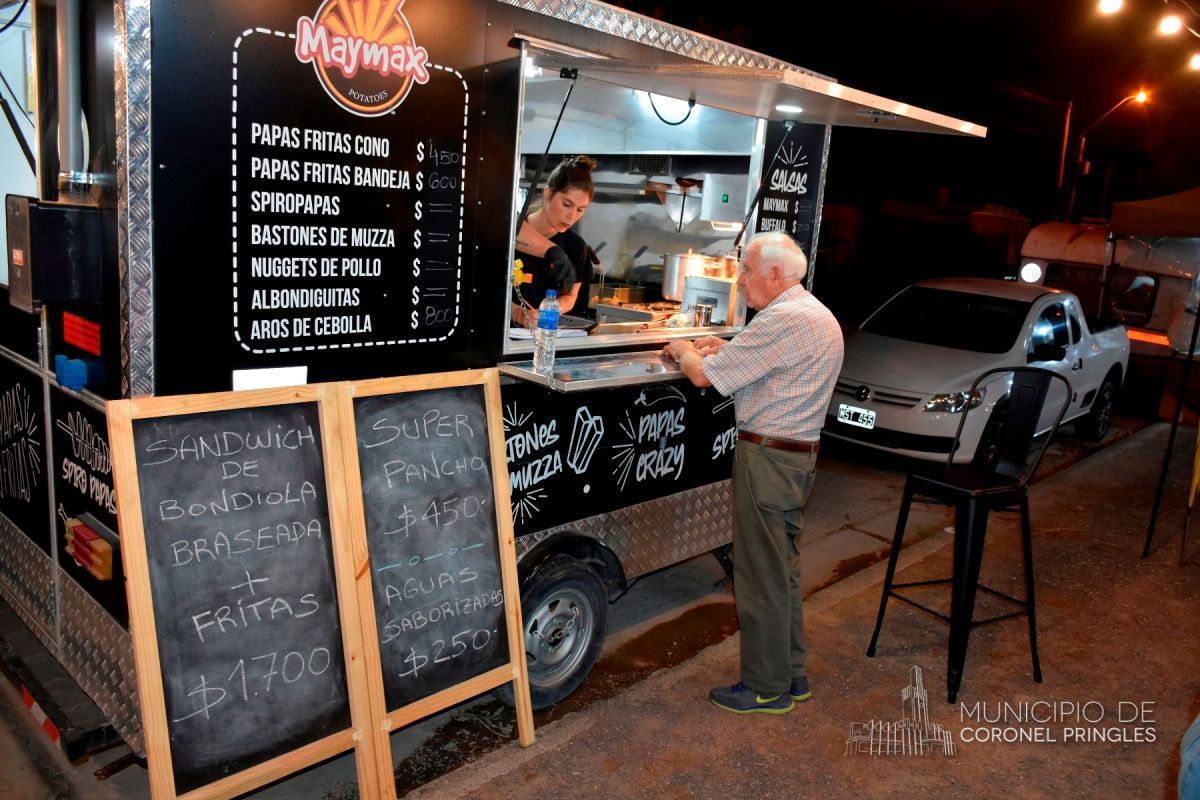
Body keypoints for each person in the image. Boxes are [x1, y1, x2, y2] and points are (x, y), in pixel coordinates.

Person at [663, 230, 844, 714]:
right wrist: (724, 344)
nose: (741, 281)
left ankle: (765, 687)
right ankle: (792, 675)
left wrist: (683, 350)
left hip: (767, 460)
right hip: (797, 458)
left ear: (775, 275)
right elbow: (761, 360)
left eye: (747, 270)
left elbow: (705, 378)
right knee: (780, 571)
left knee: (760, 576)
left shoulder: (782, 319)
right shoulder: (811, 314)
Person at [512, 155, 597, 328]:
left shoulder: (576, 246)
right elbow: (485, 290)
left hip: (541, 333)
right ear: (548, 193)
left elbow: (570, 297)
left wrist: (550, 311)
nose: (572, 216)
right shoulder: (509, 231)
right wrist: (519, 314)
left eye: (580, 209)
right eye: (566, 204)